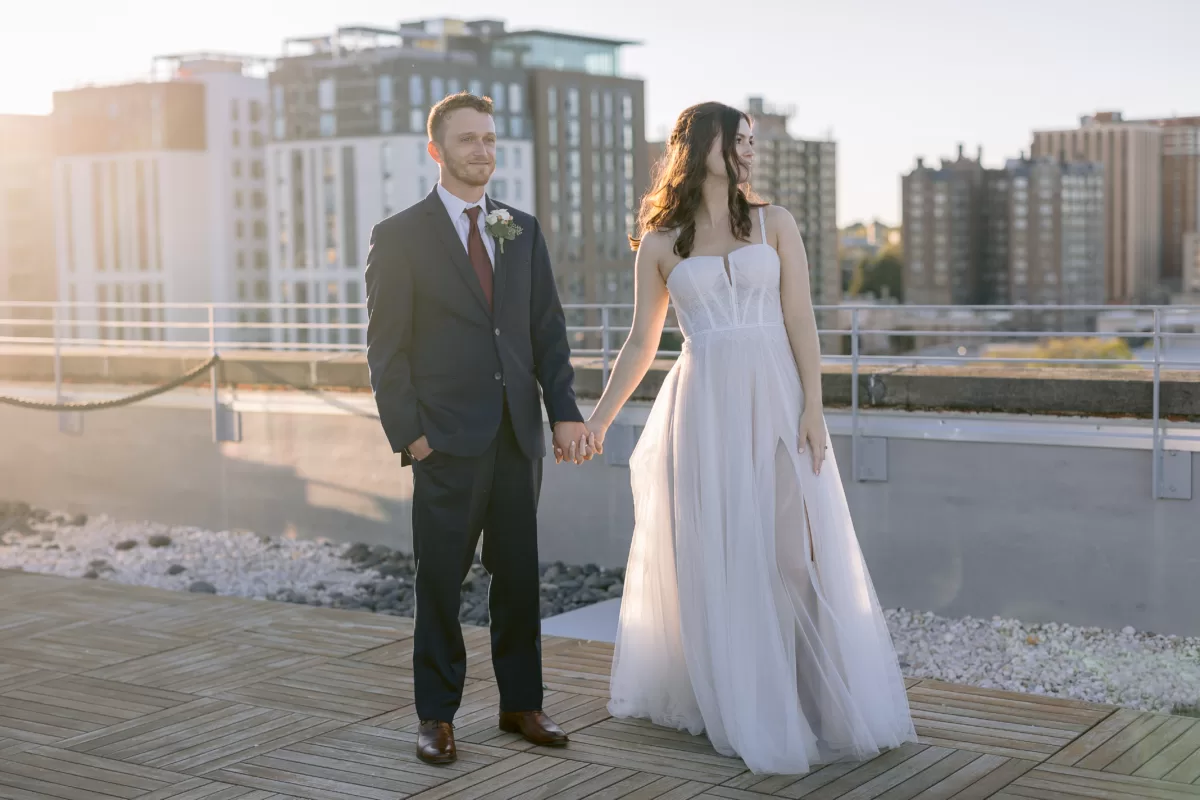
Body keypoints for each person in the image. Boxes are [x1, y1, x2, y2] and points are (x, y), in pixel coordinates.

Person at [584, 102, 917, 775]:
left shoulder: (775, 222)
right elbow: (640, 344)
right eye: (736, 140)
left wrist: (814, 408)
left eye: (751, 142)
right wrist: (598, 417)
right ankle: (737, 702)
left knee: (792, 559)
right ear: (699, 144)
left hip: (778, 401)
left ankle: (805, 703)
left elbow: (801, 320)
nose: (748, 151)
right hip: (703, 408)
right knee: (720, 558)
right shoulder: (660, 243)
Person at [365, 92, 593, 765]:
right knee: (440, 580)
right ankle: (436, 716)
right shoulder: (399, 234)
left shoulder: (519, 228)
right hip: (444, 439)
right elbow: (386, 349)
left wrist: (565, 414)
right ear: (436, 150)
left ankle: (522, 704)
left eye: (490, 139)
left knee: (520, 576)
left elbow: (546, 333)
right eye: (468, 140)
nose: (483, 151)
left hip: (517, 438)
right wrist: (412, 438)